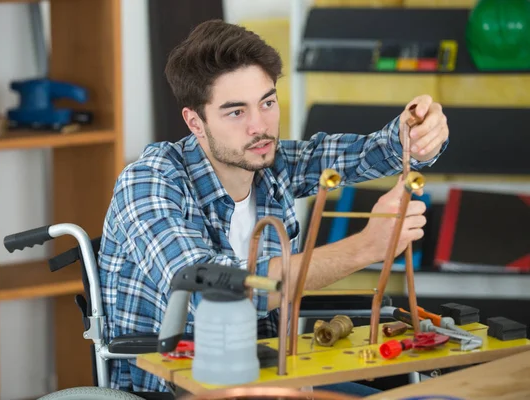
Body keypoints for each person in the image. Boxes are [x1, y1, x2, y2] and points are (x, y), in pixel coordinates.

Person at [97, 19, 449, 395]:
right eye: (236, 112)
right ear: (195, 122)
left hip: (272, 377)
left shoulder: (271, 163)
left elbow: (374, 151)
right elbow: (210, 293)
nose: (260, 127)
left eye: (267, 102)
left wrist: (416, 133)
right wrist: (367, 247)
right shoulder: (149, 182)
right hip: (180, 388)